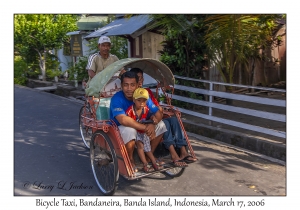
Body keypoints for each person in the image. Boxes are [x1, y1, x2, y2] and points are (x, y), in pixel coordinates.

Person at [129, 68, 197, 167]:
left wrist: (157, 115)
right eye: (138, 78)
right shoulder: (135, 95)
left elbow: (156, 108)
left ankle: (183, 151)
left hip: (153, 117)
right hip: (144, 122)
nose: (141, 81)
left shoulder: (146, 91)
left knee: (173, 120)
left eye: (142, 78)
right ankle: (173, 155)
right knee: (165, 124)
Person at [109, 71, 167, 171]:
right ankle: (130, 159)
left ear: (137, 85)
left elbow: (158, 114)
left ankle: (149, 156)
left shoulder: (142, 95)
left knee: (161, 125)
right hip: (119, 129)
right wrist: (145, 127)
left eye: (132, 85)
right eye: (126, 85)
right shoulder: (117, 98)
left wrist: (153, 124)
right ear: (121, 86)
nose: (129, 88)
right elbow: (123, 120)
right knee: (131, 130)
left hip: (141, 125)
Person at [125, 88, 164, 172]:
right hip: (135, 132)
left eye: (144, 101)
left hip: (143, 132)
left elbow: (151, 115)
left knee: (147, 148)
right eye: (139, 100)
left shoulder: (146, 109)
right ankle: (145, 164)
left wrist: (152, 118)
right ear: (134, 100)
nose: (142, 103)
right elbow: (128, 122)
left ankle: (153, 162)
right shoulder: (130, 111)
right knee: (140, 146)